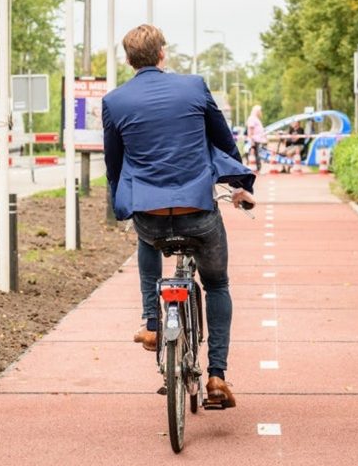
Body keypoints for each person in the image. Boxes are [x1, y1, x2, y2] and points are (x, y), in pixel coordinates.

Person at [102, 24, 256, 409]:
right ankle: (217, 376)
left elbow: (114, 163)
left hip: (150, 216)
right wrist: (235, 177)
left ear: (127, 59)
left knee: (145, 237)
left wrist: (121, 201)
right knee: (217, 284)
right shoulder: (194, 87)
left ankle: (152, 323)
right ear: (162, 54)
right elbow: (223, 139)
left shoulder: (115, 101)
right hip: (197, 212)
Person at [246, 105, 267, 173]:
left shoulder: (255, 118)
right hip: (254, 139)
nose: (261, 112)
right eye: (260, 111)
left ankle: (257, 168)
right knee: (255, 154)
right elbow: (251, 129)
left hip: (256, 139)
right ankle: (256, 168)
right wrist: (251, 140)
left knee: (256, 154)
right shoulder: (252, 118)